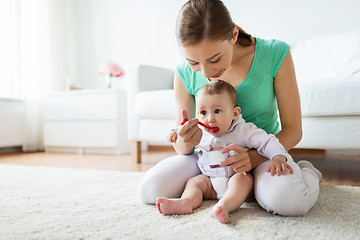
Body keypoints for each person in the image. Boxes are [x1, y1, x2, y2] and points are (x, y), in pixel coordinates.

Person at [138, 0, 322, 216]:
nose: (205, 72)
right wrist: (185, 139)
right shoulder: (183, 73)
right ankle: (249, 191)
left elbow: (293, 130)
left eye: (215, 59)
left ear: (234, 34)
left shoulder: (275, 53)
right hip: (209, 159)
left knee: (290, 202)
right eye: (193, 62)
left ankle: (308, 172)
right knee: (149, 190)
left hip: (264, 154)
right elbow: (183, 148)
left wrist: (252, 158)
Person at [157, 80, 294, 224]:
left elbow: (268, 141)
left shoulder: (243, 130)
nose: (210, 119)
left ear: (234, 113)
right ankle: (186, 202)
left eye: (217, 111)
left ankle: (224, 206)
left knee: (244, 180)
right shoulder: (200, 131)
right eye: (203, 112)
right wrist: (174, 133)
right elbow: (182, 129)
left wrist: (278, 156)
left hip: (234, 178)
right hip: (209, 181)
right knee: (194, 182)